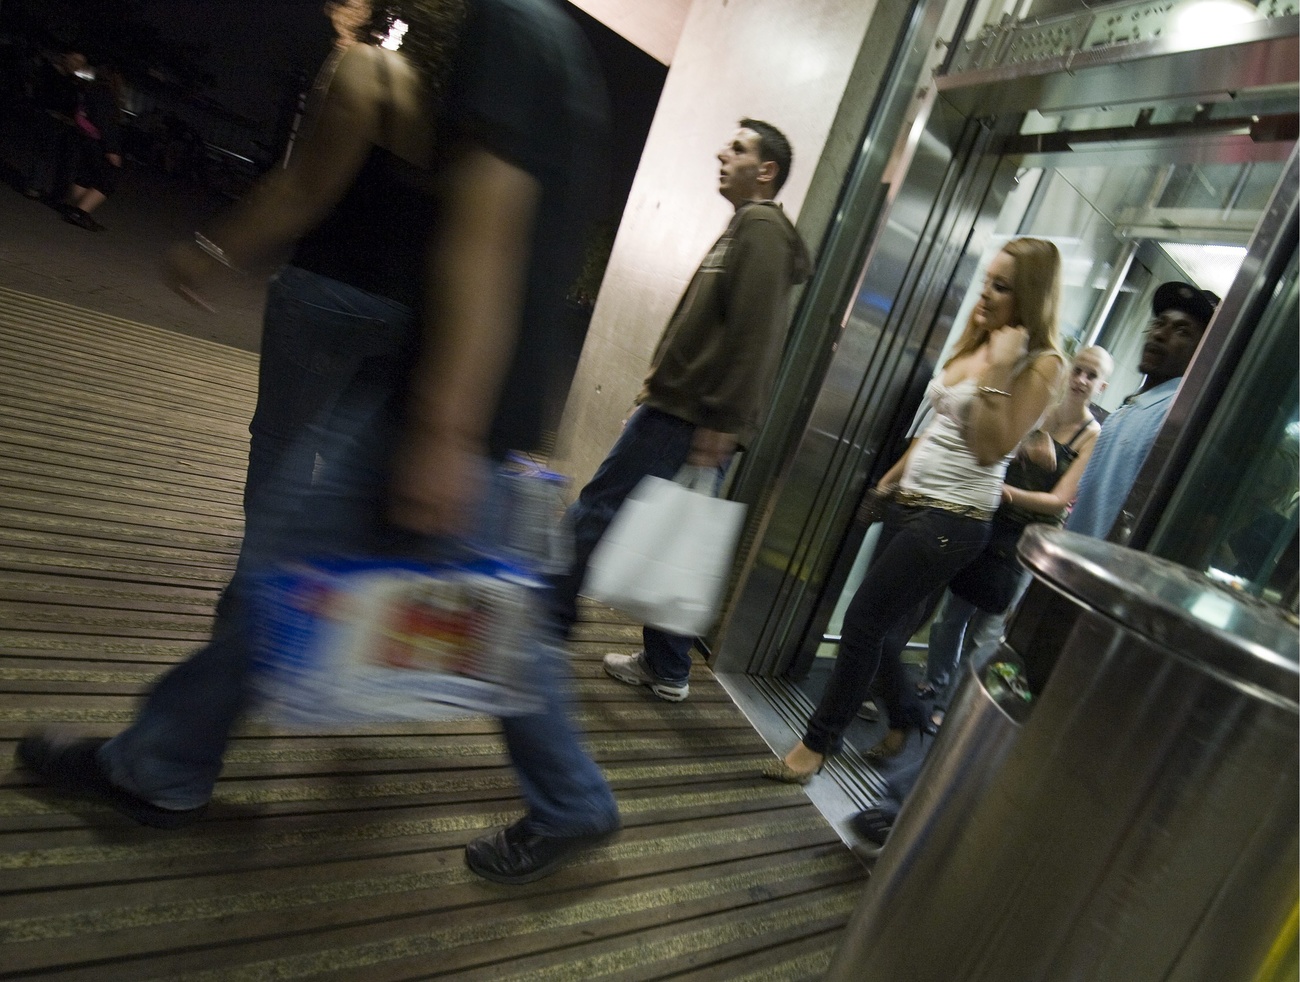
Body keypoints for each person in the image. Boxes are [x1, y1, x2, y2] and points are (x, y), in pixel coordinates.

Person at [15, 0, 621, 886]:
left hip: (446, 404)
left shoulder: (510, 27)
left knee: (283, 570)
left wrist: (442, 428)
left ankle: (160, 767)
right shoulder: (560, 49)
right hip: (477, 397)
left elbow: (488, 223)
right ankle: (571, 802)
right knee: (490, 617)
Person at [762, 237, 1066, 784]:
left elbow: (991, 449)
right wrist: (889, 481)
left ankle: (816, 746)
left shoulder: (1040, 363)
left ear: (1032, 296)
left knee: (862, 622)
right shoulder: (980, 340)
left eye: (1003, 286)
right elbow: (937, 429)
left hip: (954, 520)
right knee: (881, 633)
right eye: (986, 281)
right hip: (912, 503)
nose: (986, 295)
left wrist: (998, 370)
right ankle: (906, 716)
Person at [547, 119, 812, 703]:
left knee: (597, 510)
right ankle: (667, 667)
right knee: (674, 532)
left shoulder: (763, 228)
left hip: (693, 415)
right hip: (684, 409)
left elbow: (756, 335)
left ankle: (540, 624)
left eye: (738, 148)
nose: (722, 152)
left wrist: (722, 424)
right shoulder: (746, 226)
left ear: (765, 171)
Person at [919, 344, 1112, 716]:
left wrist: (1003, 491)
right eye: (1078, 370)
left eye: (1092, 376)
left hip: (1028, 544)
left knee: (988, 631)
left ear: (1101, 387)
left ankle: (960, 705)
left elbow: (1058, 502)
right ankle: (936, 680)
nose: (1081, 380)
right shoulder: (1041, 410)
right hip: (990, 521)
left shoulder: (1092, 436)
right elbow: (998, 444)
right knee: (952, 615)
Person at [1066, 282, 1218, 540]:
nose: (1159, 334)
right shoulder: (1136, 407)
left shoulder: (1173, 415)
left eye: (1182, 331)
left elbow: (1134, 515)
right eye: (1160, 323)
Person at [61, 62, 124, 231]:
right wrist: (112, 149)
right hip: (99, 141)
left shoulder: (91, 89)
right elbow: (106, 123)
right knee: (108, 180)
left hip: (85, 137)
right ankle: (81, 212)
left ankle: (71, 206)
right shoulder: (106, 93)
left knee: (86, 174)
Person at [21, 46, 85, 203]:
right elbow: (40, 94)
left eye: (80, 63)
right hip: (48, 117)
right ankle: (34, 186)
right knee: (43, 152)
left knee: (59, 157)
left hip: (64, 122)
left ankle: (51, 191)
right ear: (66, 56)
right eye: (75, 60)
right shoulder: (49, 72)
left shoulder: (73, 80)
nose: (76, 65)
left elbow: (73, 102)